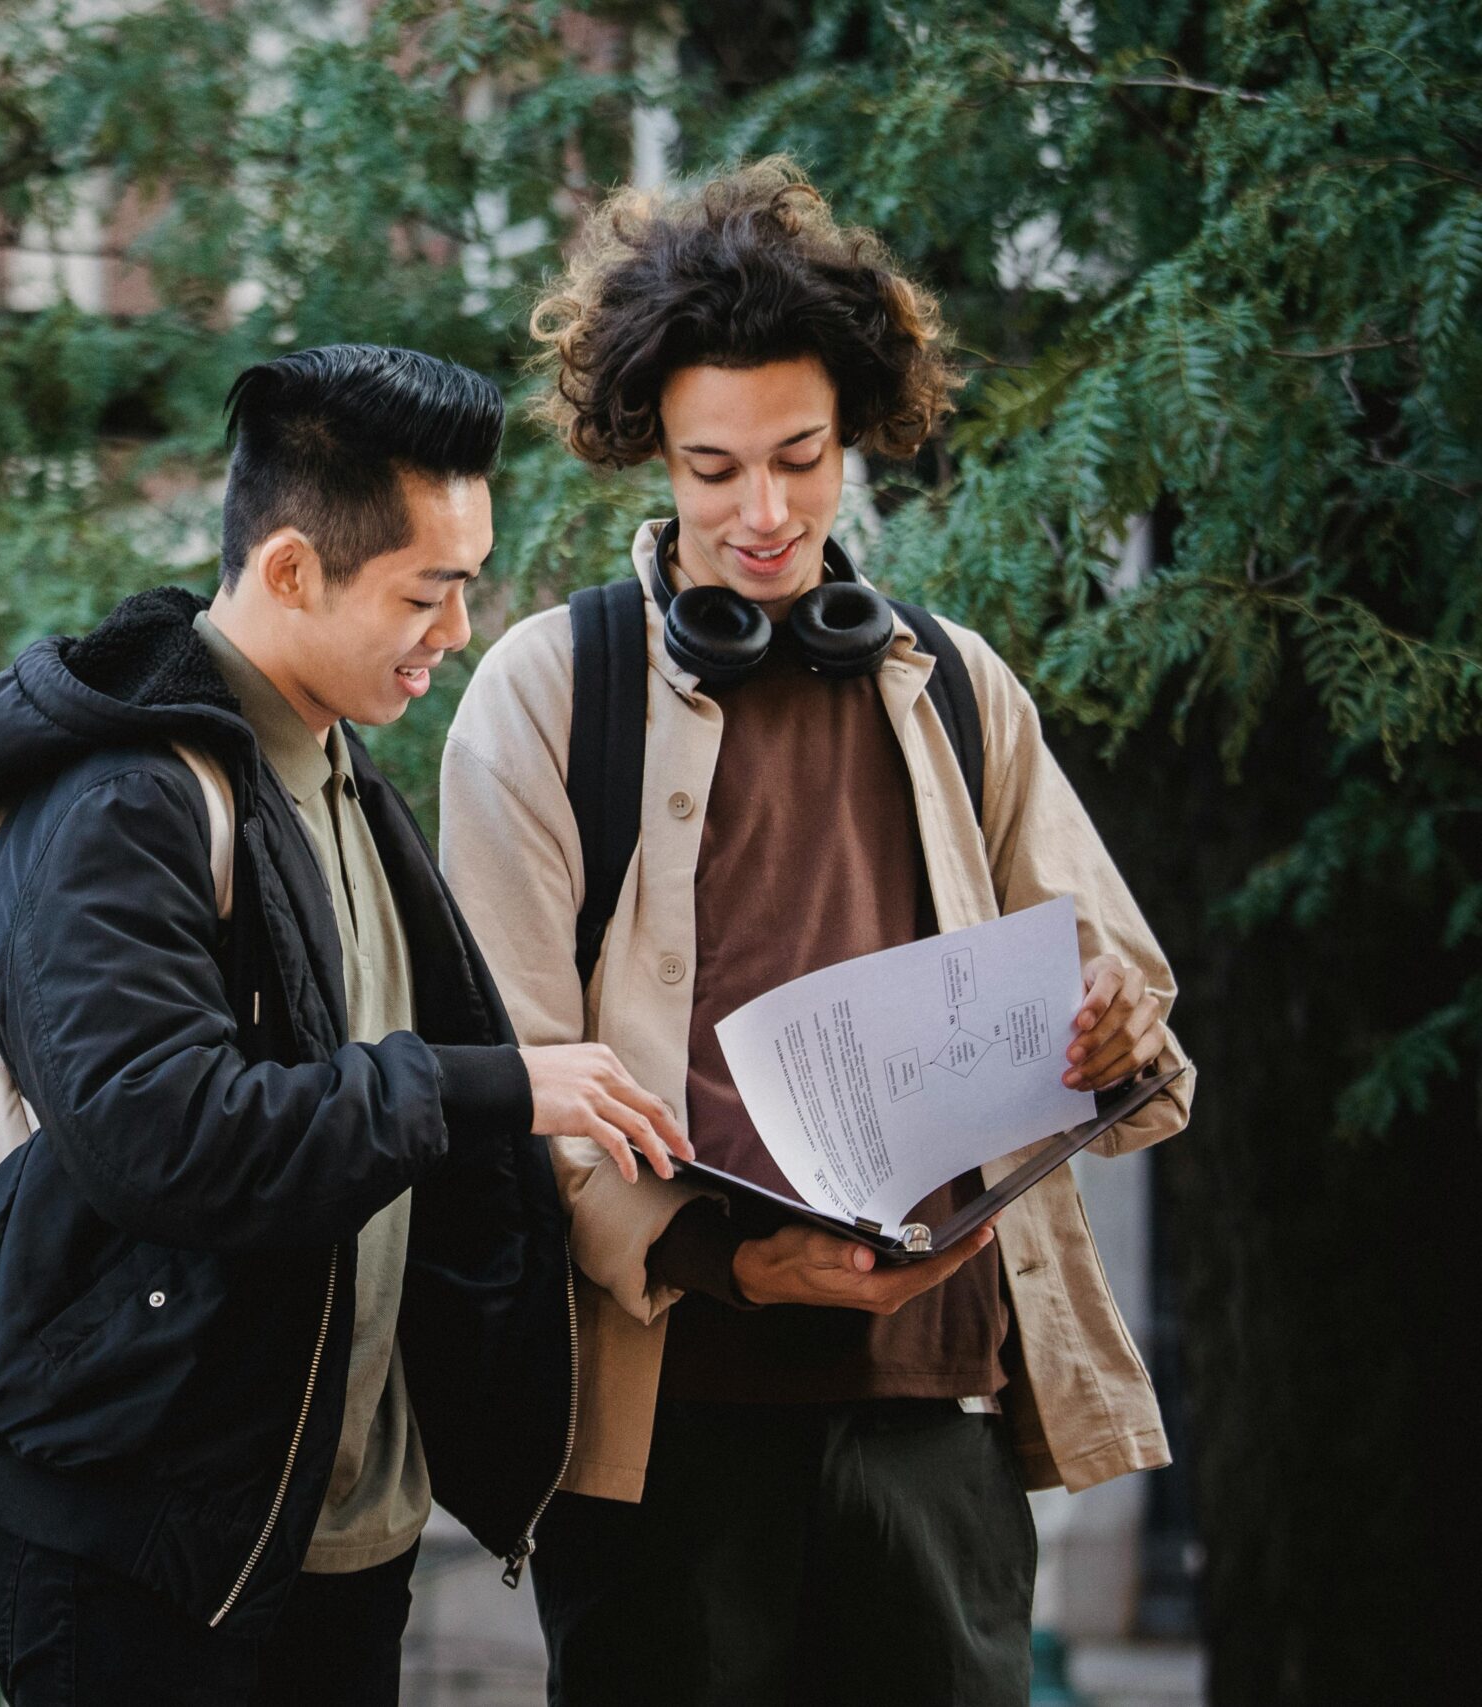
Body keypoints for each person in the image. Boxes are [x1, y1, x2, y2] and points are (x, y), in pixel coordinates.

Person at [439, 161, 1197, 1706]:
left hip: (939, 1414)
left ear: (860, 432)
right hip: (668, 1429)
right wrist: (730, 1259)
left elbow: (1126, 1002)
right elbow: (502, 1084)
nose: (765, 514)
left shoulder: (961, 685)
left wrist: (1114, 1022)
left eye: (801, 457)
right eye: (715, 471)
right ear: (651, 449)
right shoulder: (541, 693)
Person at [0, 344, 689, 1706]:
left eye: (468, 585)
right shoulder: (123, 801)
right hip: (147, 1539)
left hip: (337, 1538)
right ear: (287, 571)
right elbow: (164, 1134)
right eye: (426, 593)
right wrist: (490, 1088)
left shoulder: (338, 778)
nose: (458, 631)